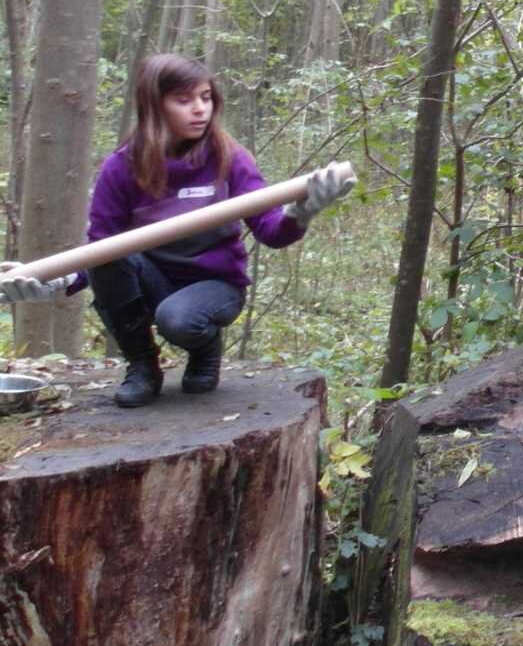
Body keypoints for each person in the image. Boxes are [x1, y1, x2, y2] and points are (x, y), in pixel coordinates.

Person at [0, 54, 354, 407]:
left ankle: (204, 349)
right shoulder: (122, 167)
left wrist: (303, 211)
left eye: (205, 97)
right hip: (152, 281)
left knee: (179, 318)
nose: (200, 109)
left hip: (216, 287)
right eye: (183, 100)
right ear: (155, 105)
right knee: (112, 258)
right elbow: (100, 248)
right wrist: (57, 281)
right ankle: (142, 366)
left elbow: (272, 233)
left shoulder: (229, 157)